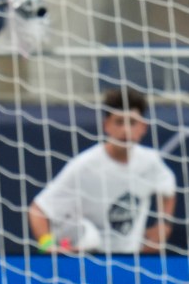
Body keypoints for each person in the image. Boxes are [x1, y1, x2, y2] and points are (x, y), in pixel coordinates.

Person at [29, 87, 177, 254]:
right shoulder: (84, 166)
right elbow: (38, 209)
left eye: (132, 123)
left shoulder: (151, 162)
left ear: (143, 127)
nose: (126, 130)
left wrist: (163, 224)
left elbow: (168, 190)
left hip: (131, 260)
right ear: (106, 125)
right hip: (88, 260)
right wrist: (47, 246)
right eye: (119, 122)